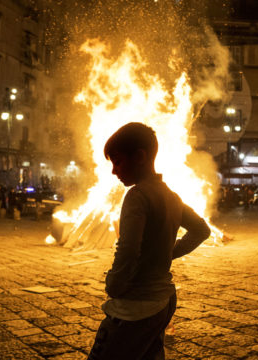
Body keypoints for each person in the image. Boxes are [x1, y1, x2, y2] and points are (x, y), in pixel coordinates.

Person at [87, 122, 211, 360]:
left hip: (136, 306)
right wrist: (165, 253)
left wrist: (114, 283)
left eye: (118, 161)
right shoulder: (172, 196)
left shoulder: (137, 196)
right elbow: (201, 230)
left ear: (140, 157)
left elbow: (128, 249)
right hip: (164, 302)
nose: (114, 171)